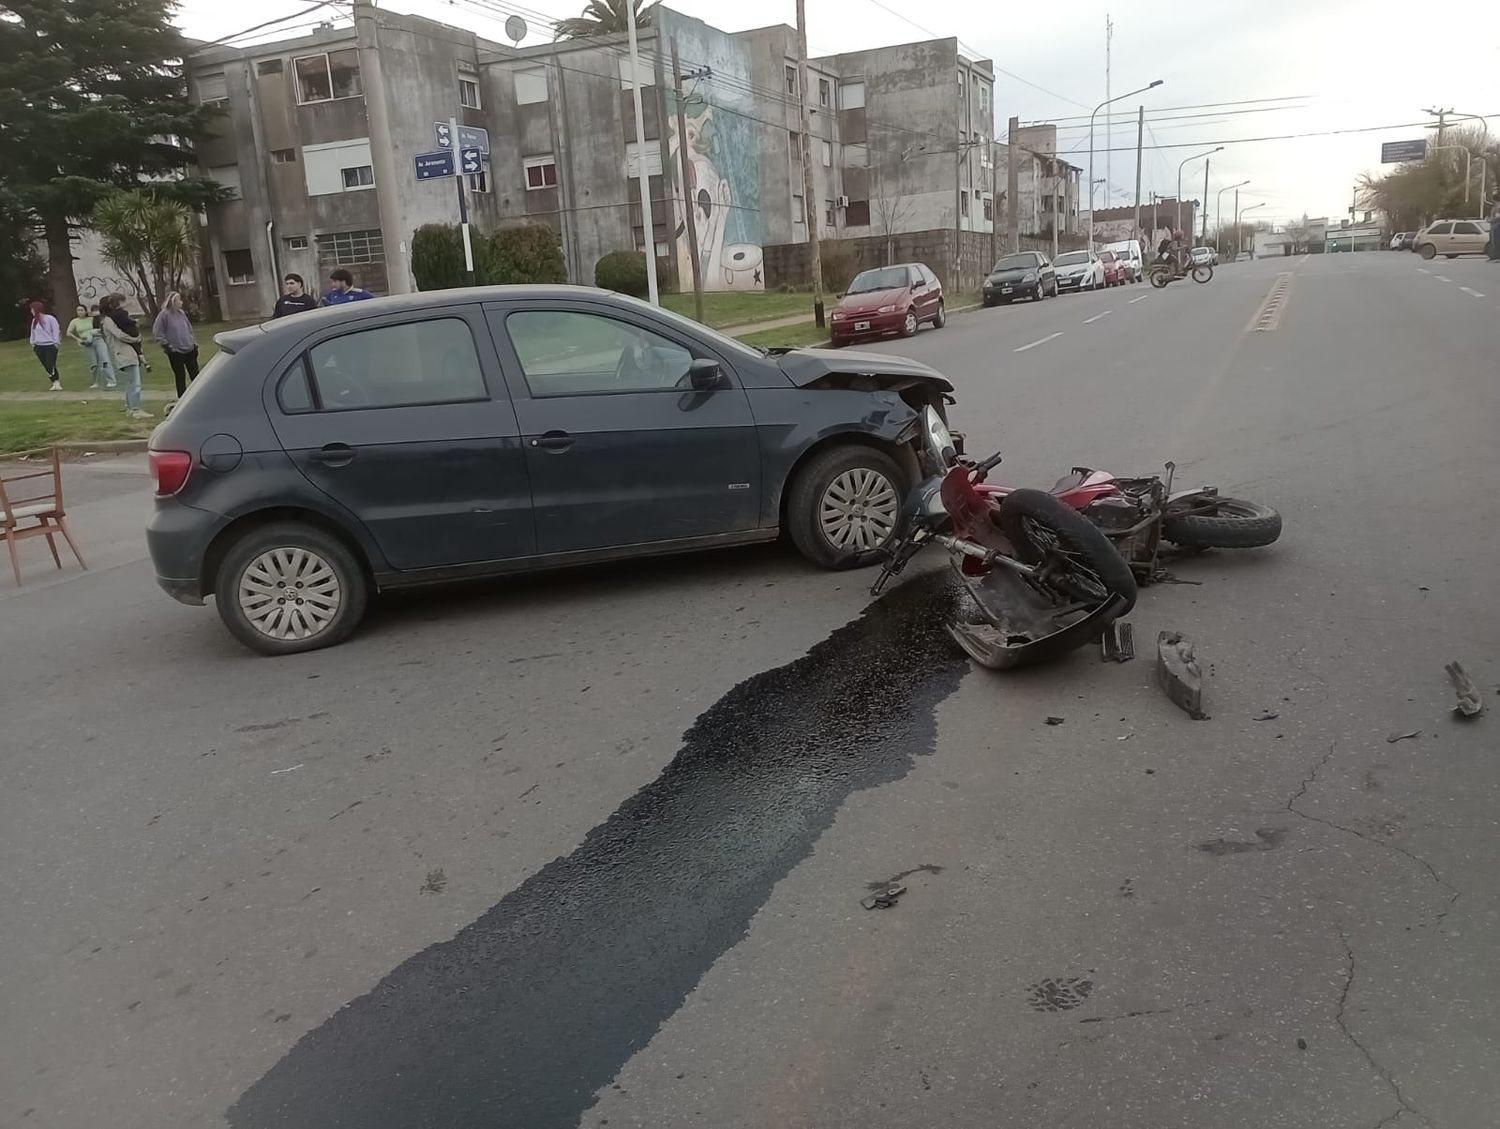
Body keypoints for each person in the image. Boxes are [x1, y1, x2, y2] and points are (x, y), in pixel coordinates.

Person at [100, 293, 150, 420]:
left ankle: (130, 408)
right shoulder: (108, 320)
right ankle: (135, 409)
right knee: (135, 383)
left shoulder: (109, 319)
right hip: (124, 353)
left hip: (126, 352)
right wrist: (135, 338)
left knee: (130, 383)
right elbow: (119, 335)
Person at [152, 291, 199, 397]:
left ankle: (198, 396)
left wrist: (194, 343)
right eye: (179, 300)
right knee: (180, 376)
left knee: (195, 374)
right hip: (176, 351)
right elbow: (158, 333)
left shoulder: (182, 314)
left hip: (189, 349)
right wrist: (168, 347)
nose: (181, 302)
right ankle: (182, 398)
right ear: (173, 301)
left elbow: (189, 328)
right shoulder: (164, 315)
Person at [29, 301, 63, 391]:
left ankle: (57, 381)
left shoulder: (50, 319)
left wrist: (56, 342)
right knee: (46, 365)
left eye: (32, 309)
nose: (31, 311)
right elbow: (33, 333)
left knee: (50, 364)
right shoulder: (34, 321)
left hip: (50, 345)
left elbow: (56, 330)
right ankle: (54, 382)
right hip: (39, 346)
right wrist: (32, 343)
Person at [86, 304, 117, 389]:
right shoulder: (89, 320)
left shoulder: (103, 319)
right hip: (90, 341)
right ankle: (96, 382)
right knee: (94, 363)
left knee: (105, 361)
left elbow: (106, 330)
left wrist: (95, 331)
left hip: (101, 340)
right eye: (93, 311)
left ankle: (111, 380)